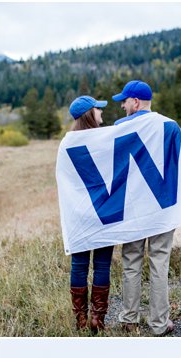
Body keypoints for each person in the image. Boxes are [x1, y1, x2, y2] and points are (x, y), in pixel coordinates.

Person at [111, 80, 181, 337]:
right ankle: (158, 324)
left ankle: (129, 320)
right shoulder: (171, 126)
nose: (122, 106)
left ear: (136, 102)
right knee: (159, 263)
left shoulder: (119, 129)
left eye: (124, 101)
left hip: (132, 209)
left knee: (131, 262)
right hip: (163, 207)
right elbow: (180, 167)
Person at [62, 96, 114, 333]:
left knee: (79, 266)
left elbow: (65, 182)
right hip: (103, 211)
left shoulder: (66, 144)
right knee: (102, 266)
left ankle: (81, 320)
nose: (102, 114)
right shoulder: (105, 139)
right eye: (98, 110)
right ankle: (97, 320)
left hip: (79, 215)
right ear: (89, 115)